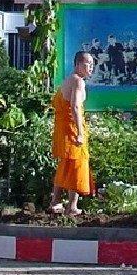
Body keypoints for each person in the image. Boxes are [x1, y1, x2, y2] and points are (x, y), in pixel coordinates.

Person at [50, 51, 94, 216]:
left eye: (92, 64)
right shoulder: (77, 81)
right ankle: (72, 207)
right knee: (77, 165)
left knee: (65, 164)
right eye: (88, 63)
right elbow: (75, 107)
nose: (91, 67)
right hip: (72, 129)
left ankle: (56, 202)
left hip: (64, 129)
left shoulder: (67, 80)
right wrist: (80, 133)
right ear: (78, 64)